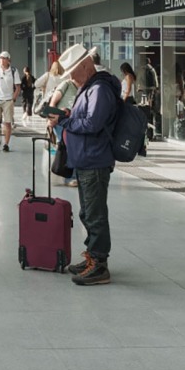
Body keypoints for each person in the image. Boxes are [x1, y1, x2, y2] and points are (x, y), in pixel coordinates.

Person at [46, 44, 121, 287]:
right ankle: (91, 256)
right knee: (87, 212)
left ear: (86, 66)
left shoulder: (99, 89)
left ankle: (99, 264)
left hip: (94, 160)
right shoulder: (89, 87)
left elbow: (92, 124)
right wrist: (67, 114)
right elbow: (85, 118)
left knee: (95, 214)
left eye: (73, 73)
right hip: (86, 159)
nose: (72, 79)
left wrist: (66, 120)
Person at [0, 51, 21, 152]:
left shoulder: (13, 70)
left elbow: (17, 87)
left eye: (4, 58)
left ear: (8, 59)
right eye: (1, 58)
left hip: (8, 100)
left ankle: (6, 144)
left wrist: (13, 99)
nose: (2, 60)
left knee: (7, 123)